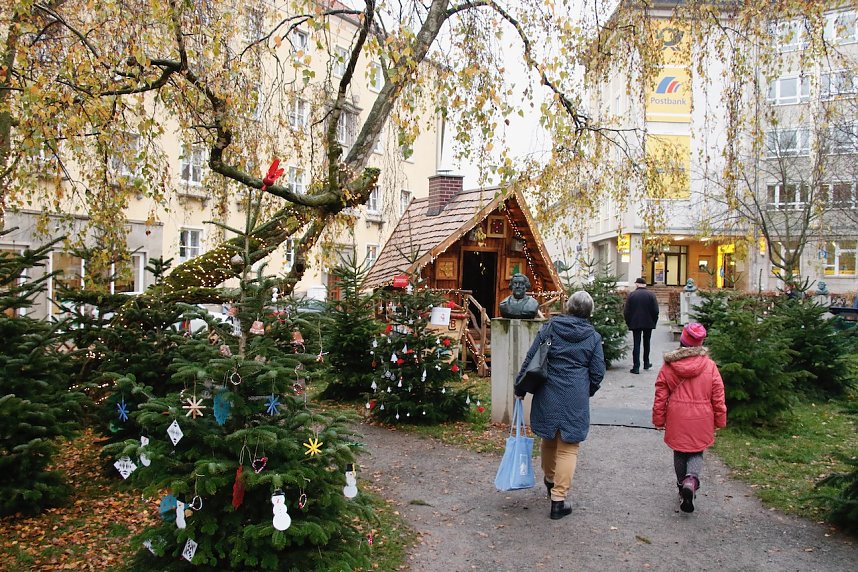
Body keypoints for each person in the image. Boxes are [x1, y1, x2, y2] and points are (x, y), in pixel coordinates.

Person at [513, 290, 605, 520]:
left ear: (568, 307)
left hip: (548, 391)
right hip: (575, 395)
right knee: (569, 447)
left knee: (548, 439)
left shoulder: (551, 327)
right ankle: (558, 500)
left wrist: (520, 387)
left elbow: (532, 357)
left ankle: (550, 479)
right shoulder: (593, 337)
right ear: (589, 312)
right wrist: (586, 390)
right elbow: (597, 372)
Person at [652, 322, 727, 513]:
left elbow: (660, 395)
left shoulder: (669, 366)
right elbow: (718, 396)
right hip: (702, 417)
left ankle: (681, 486)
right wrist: (720, 419)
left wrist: (659, 419)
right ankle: (691, 480)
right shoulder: (710, 366)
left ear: (683, 341)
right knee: (696, 451)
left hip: (677, 417)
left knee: (679, 451)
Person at [623, 277, 660, 374]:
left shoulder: (632, 295)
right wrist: (654, 322)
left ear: (637, 284)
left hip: (635, 323)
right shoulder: (651, 295)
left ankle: (636, 367)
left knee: (636, 344)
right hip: (648, 323)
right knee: (647, 343)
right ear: (645, 285)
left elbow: (626, 311)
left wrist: (629, 322)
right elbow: (656, 311)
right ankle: (646, 363)